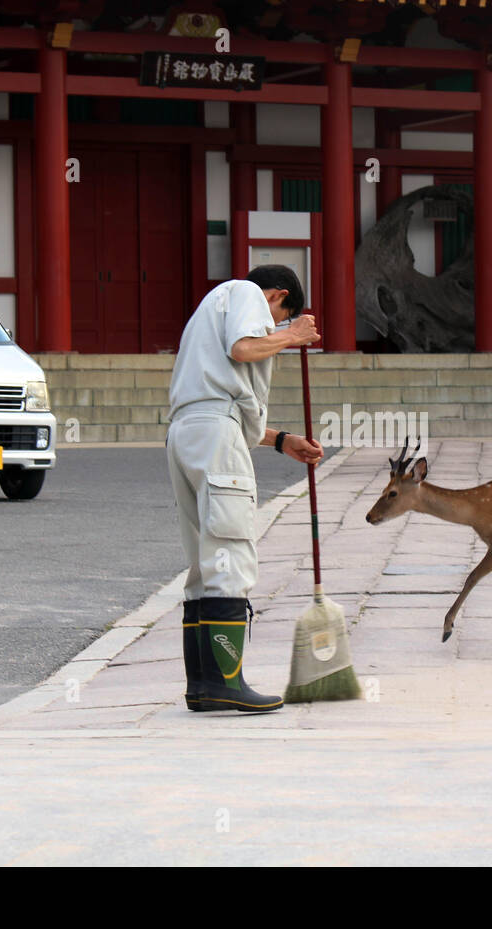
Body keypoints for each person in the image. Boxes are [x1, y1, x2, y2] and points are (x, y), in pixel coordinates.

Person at [166, 265, 323, 714]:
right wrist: (292, 334)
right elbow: (244, 348)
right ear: (278, 296)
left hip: (187, 432)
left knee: (203, 560)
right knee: (230, 552)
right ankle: (226, 683)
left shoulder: (207, 310)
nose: (271, 328)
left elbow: (218, 399)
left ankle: (203, 686)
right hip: (214, 433)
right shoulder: (247, 294)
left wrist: (279, 439)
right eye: (278, 316)